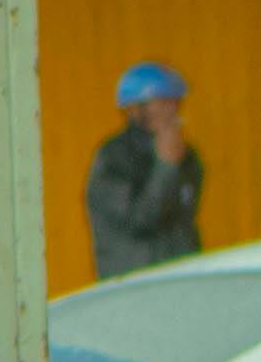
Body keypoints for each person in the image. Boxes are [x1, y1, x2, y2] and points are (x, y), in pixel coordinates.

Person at [87, 60, 204, 278]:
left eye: (175, 102)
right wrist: (166, 167)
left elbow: (184, 221)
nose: (172, 109)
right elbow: (140, 220)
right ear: (134, 108)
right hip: (135, 288)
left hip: (180, 282)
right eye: (162, 102)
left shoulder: (187, 157)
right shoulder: (112, 158)